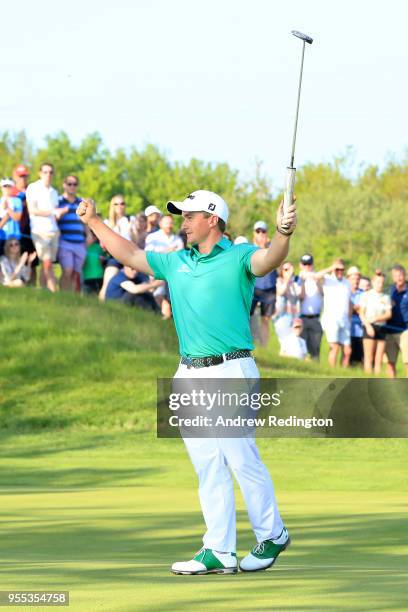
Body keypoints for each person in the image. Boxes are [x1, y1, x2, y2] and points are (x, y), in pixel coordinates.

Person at [77, 189, 297, 575]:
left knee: (238, 454)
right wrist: (94, 221)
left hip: (232, 368)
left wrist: (282, 232)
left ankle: (272, 533)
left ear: (212, 219)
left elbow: (269, 259)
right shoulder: (176, 261)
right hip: (189, 373)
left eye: (190, 215)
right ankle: (219, 549)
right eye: (182, 215)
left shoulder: (239, 256)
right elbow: (128, 254)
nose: (183, 221)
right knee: (207, 463)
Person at [26, 163, 65, 292]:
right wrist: (53, 212)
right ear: (40, 173)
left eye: (50, 172)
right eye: (45, 172)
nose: (48, 175)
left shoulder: (54, 192)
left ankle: (44, 293)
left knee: (46, 265)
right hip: (39, 231)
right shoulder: (33, 187)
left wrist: (59, 213)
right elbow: (33, 210)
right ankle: (54, 292)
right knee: (47, 263)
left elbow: (54, 213)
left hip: (53, 231)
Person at [145, 214, 184, 318]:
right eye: (166, 223)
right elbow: (147, 257)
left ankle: (168, 315)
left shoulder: (177, 240)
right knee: (159, 293)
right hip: (155, 272)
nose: (169, 225)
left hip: (172, 273)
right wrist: (168, 251)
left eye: (171, 223)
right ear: (160, 224)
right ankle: (166, 315)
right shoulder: (152, 237)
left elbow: (179, 259)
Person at [315, 259, 352, 368]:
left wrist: (349, 317)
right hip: (331, 319)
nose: (340, 271)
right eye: (337, 269)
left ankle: (343, 372)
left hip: (344, 319)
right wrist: (331, 268)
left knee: (347, 350)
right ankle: (332, 371)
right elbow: (317, 276)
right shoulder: (328, 279)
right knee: (334, 347)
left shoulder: (347, 282)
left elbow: (349, 301)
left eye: (342, 269)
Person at [250, 221, 277, 347]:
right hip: (253, 287)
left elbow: (278, 263)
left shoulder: (273, 247)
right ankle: (248, 343)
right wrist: (261, 246)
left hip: (269, 287)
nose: (261, 233)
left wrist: (266, 246)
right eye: (258, 231)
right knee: (247, 316)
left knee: (265, 319)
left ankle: (263, 347)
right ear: (254, 233)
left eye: (263, 231)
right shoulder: (249, 247)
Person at [57, 175, 87, 291]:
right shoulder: (59, 201)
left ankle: (72, 298)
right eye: (69, 184)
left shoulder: (81, 202)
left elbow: (85, 221)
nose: (72, 186)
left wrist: (88, 234)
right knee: (67, 270)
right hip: (64, 241)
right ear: (64, 185)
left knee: (76, 273)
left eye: (74, 184)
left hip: (80, 242)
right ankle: (63, 296)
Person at [99, 195, 131, 300]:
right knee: (107, 283)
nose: (120, 206)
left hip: (131, 257)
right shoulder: (107, 223)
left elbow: (136, 240)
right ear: (112, 206)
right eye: (116, 204)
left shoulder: (130, 220)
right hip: (115, 256)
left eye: (122, 203)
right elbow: (103, 244)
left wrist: (132, 229)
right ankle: (99, 307)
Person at [359, 270, 392, 375]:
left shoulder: (386, 297)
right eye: (378, 282)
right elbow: (361, 313)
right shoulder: (366, 295)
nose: (380, 285)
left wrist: (377, 319)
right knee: (369, 357)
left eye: (382, 282)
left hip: (381, 328)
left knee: (379, 359)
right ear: (373, 282)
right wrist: (368, 326)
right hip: (369, 328)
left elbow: (388, 314)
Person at [11, 165, 38, 285]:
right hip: (16, 232)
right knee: (17, 261)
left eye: (25, 176)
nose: (23, 178)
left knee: (32, 263)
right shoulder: (11, 191)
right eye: (20, 176)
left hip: (32, 231)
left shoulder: (32, 190)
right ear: (15, 176)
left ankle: (31, 287)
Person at [298, 253, 323, 360]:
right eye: (305, 264)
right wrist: (303, 281)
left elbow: (322, 293)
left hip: (315, 318)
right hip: (302, 318)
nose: (307, 267)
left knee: (315, 349)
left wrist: (317, 282)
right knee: (302, 349)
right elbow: (301, 297)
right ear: (301, 265)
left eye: (309, 264)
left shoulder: (317, 277)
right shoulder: (297, 278)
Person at [384, 265, 408, 377]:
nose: (399, 278)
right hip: (390, 330)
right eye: (396, 276)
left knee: (407, 361)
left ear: (405, 276)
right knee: (390, 362)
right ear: (393, 277)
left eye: (401, 275)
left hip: (405, 330)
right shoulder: (389, 290)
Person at [274, 261, 300, 347]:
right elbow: (281, 292)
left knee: (293, 344)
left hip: (293, 316)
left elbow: (297, 297)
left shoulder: (295, 282)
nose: (288, 272)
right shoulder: (278, 280)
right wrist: (288, 279)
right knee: (284, 343)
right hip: (281, 316)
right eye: (286, 269)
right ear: (281, 271)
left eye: (290, 269)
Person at [0, 178, 23, 255]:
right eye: (4, 186)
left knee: (14, 262)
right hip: (2, 237)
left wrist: (7, 209)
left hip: (14, 237)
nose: (7, 188)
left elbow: (17, 217)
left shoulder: (17, 201)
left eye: (9, 186)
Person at [347, 266, 364, 366]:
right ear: (348, 279)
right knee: (348, 356)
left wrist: (354, 308)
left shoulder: (363, 293)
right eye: (353, 279)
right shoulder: (345, 292)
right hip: (347, 329)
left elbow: (363, 309)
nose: (356, 281)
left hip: (360, 331)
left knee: (361, 358)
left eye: (358, 279)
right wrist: (354, 308)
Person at [82, 229, 106, 295]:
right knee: (88, 297)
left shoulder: (98, 247)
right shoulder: (83, 247)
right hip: (87, 277)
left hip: (99, 276)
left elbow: (105, 257)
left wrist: (103, 259)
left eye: (95, 236)